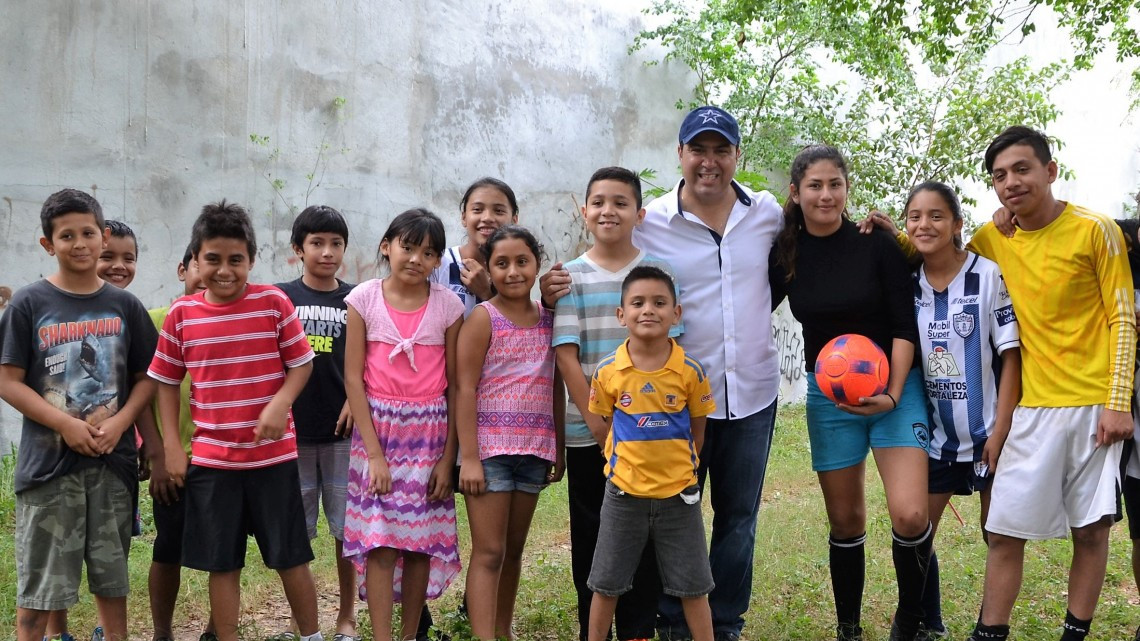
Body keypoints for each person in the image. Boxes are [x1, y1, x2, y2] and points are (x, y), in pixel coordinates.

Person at [542, 105, 783, 641]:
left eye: (722, 150)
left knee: (738, 517)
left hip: (751, 393)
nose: (710, 161)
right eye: (699, 149)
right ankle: (668, 620)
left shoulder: (766, 212)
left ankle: (725, 623)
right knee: (668, 513)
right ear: (680, 155)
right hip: (664, 406)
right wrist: (547, 288)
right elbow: (606, 247)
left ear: (736, 156)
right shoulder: (650, 220)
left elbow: (817, 223)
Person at [768, 145, 932, 641]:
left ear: (847, 188)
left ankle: (912, 621)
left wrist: (895, 391)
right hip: (830, 400)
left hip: (895, 391)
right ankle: (849, 629)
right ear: (795, 193)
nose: (826, 194)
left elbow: (906, 325)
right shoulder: (785, 254)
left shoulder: (876, 244)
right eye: (814, 185)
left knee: (910, 513)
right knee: (845, 520)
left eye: (834, 184)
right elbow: (746, 303)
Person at [147, 201, 323, 641]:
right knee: (221, 563)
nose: (224, 270)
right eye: (213, 259)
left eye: (236, 260)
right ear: (194, 259)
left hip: (273, 460)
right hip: (212, 463)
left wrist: (281, 402)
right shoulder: (182, 315)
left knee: (290, 558)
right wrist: (172, 446)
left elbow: (301, 364)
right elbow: (166, 382)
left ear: (251, 260)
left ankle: (312, 635)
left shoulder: (272, 303)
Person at [0, 189, 158, 641]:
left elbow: (148, 376)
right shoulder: (29, 304)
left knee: (112, 585)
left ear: (103, 235)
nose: (79, 242)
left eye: (88, 232)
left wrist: (121, 422)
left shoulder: (125, 306)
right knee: (39, 593)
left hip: (112, 466)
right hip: (48, 471)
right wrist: (66, 424)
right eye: (65, 235)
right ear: (48, 244)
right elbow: (8, 380)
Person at [552, 166, 675, 641]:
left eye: (621, 202)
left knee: (646, 539)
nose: (609, 211)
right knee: (593, 537)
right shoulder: (570, 278)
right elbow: (566, 356)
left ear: (639, 214)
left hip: (649, 439)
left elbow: (667, 352)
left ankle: (639, 630)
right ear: (584, 212)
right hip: (591, 437)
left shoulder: (658, 274)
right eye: (599, 202)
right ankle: (594, 631)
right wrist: (601, 426)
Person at [903, 182, 1021, 640]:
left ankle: (990, 628)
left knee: (997, 535)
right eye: (915, 216)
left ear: (956, 224)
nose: (924, 224)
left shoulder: (987, 275)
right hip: (936, 440)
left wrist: (1001, 431)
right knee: (915, 535)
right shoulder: (907, 284)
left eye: (936, 216)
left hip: (991, 436)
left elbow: (1011, 356)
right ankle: (925, 620)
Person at [342, 208, 464, 641]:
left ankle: (410, 634)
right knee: (380, 543)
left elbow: (454, 385)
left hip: (429, 436)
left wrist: (448, 459)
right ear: (386, 246)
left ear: (437, 261)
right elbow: (353, 378)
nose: (415, 259)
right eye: (407, 247)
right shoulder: (363, 300)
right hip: (378, 434)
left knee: (419, 545)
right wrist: (374, 454)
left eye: (427, 252)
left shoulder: (449, 306)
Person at [585, 265, 716, 641]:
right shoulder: (608, 371)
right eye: (637, 302)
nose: (648, 310)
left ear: (676, 314)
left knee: (694, 586)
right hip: (623, 497)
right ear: (621, 314)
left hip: (680, 499)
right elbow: (604, 423)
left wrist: (677, 473)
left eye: (660, 303)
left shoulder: (690, 372)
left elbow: (698, 434)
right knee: (606, 583)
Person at [457, 225, 566, 640]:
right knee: (489, 552)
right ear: (488, 269)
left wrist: (558, 446)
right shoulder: (484, 318)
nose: (513, 271)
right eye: (501, 264)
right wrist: (468, 457)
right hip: (489, 454)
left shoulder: (550, 319)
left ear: (537, 264)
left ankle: (503, 631)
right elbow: (464, 387)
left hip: (535, 451)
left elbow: (554, 382)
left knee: (514, 551)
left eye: (522, 261)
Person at [276, 205, 359, 641]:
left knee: (346, 532)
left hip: (344, 433)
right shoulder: (280, 298)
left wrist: (355, 401)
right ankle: (299, 616)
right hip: (291, 435)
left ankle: (347, 614)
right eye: (316, 243)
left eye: (336, 244)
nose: (327, 252)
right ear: (298, 249)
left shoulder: (358, 299)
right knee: (297, 532)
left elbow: (369, 361)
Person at [146, 246, 216, 641]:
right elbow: (145, 390)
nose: (207, 275)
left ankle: (215, 629)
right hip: (174, 461)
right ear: (183, 269)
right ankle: (162, 632)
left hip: (221, 459)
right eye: (199, 265)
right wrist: (156, 450)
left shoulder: (232, 322)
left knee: (224, 551)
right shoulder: (155, 322)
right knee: (167, 547)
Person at [430, 177, 520, 316]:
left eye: (499, 211)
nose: (487, 218)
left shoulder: (517, 271)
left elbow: (518, 328)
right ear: (464, 217)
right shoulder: (438, 264)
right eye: (477, 209)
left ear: (514, 220)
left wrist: (486, 294)